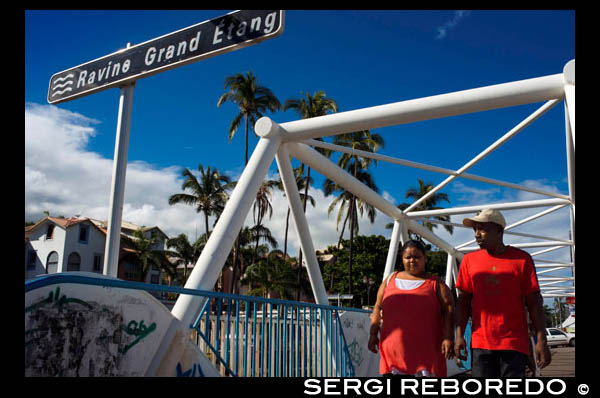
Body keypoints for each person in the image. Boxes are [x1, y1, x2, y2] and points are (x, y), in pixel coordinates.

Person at [454, 208, 551, 377]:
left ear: (499, 231)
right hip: (481, 343)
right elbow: (463, 302)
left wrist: (541, 340)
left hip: (514, 343)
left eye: (483, 229)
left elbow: (534, 303)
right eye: (475, 229)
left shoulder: (522, 259)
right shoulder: (469, 260)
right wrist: (459, 335)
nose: (477, 234)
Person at [368, 239, 454, 377]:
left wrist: (449, 337)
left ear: (425, 259)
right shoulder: (390, 280)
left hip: (426, 354)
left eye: (417, 257)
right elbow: (378, 307)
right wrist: (373, 334)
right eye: (408, 257)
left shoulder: (436, 284)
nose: (412, 260)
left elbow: (449, 311)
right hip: (394, 354)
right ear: (402, 259)